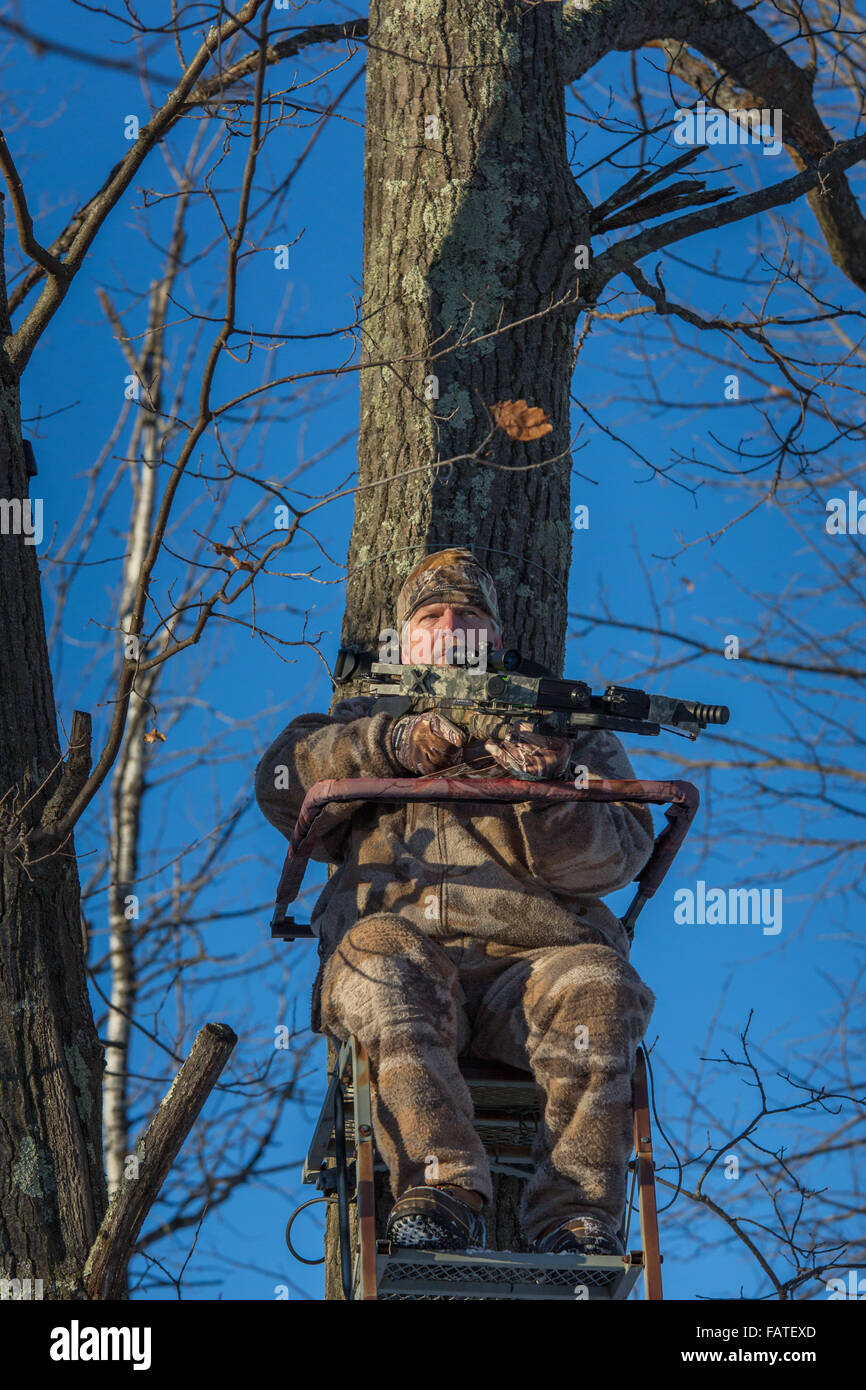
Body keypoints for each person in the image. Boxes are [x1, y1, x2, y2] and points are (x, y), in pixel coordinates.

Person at [255, 548, 656, 1256]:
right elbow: (284, 788)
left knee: (599, 983)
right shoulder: (352, 723)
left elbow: (618, 856)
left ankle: (577, 1219)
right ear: (404, 640)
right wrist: (392, 744)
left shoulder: (565, 729)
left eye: (466, 616)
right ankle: (439, 1193)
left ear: (495, 639)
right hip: (406, 960)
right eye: (431, 616)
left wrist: (547, 785)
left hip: (533, 970)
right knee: (376, 959)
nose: (448, 629)